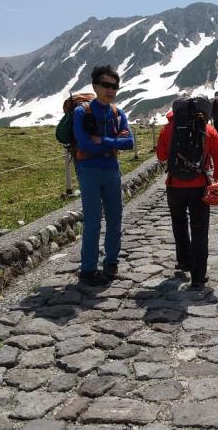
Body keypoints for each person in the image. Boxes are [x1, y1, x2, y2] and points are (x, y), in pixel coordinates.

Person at [156, 97, 218, 290]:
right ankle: (198, 276)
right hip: (200, 187)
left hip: (174, 186)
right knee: (199, 229)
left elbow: (161, 156)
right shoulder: (209, 130)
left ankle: (184, 261)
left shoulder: (167, 129)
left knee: (179, 223)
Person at [73, 65, 134, 284]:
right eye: (106, 85)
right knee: (93, 221)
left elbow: (130, 142)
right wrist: (113, 143)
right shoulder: (82, 112)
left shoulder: (117, 113)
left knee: (115, 218)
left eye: (114, 86)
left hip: (111, 170)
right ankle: (88, 270)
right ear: (95, 86)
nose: (110, 90)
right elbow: (84, 144)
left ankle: (111, 264)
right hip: (89, 170)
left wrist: (102, 141)